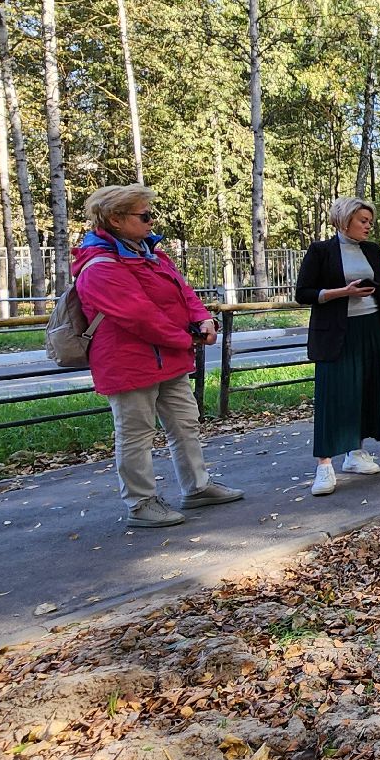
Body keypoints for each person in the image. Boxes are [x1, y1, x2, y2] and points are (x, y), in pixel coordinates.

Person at [73, 184, 242, 528]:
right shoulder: (100, 266)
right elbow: (139, 317)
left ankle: (196, 487)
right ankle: (141, 502)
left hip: (168, 357)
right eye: (144, 215)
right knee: (135, 433)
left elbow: (183, 291)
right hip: (129, 362)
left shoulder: (150, 253)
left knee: (185, 423)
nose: (152, 222)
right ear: (117, 219)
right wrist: (185, 340)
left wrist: (202, 319)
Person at [295, 197, 380, 496]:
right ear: (344, 220)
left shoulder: (371, 250)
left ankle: (355, 453)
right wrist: (344, 292)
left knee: (365, 389)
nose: (368, 226)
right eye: (363, 221)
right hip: (336, 333)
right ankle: (324, 465)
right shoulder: (321, 251)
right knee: (334, 394)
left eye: (370, 221)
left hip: (371, 328)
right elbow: (304, 293)